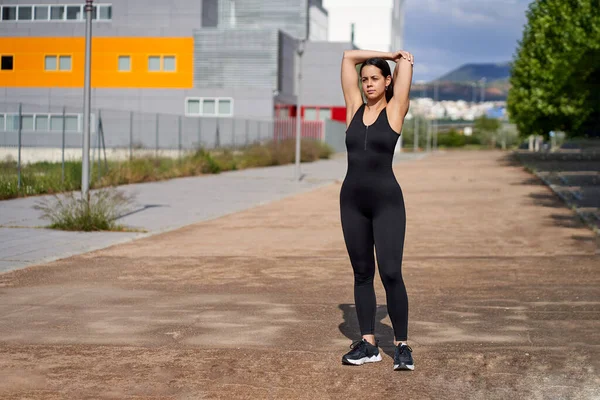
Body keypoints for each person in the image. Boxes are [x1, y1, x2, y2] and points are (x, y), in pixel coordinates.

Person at [339, 49, 414, 371]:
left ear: (387, 81)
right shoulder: (354, 109)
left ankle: (402, 346)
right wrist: (384, 53)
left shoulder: (396, 109)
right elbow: (347, 58)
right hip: (351, 202)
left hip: (387, 202)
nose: (368, 84)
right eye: (364, 79)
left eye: (375, 79)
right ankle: (369, 344)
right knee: (361, 273)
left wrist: (398, 59)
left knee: (391, 272)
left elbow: (406, 66)